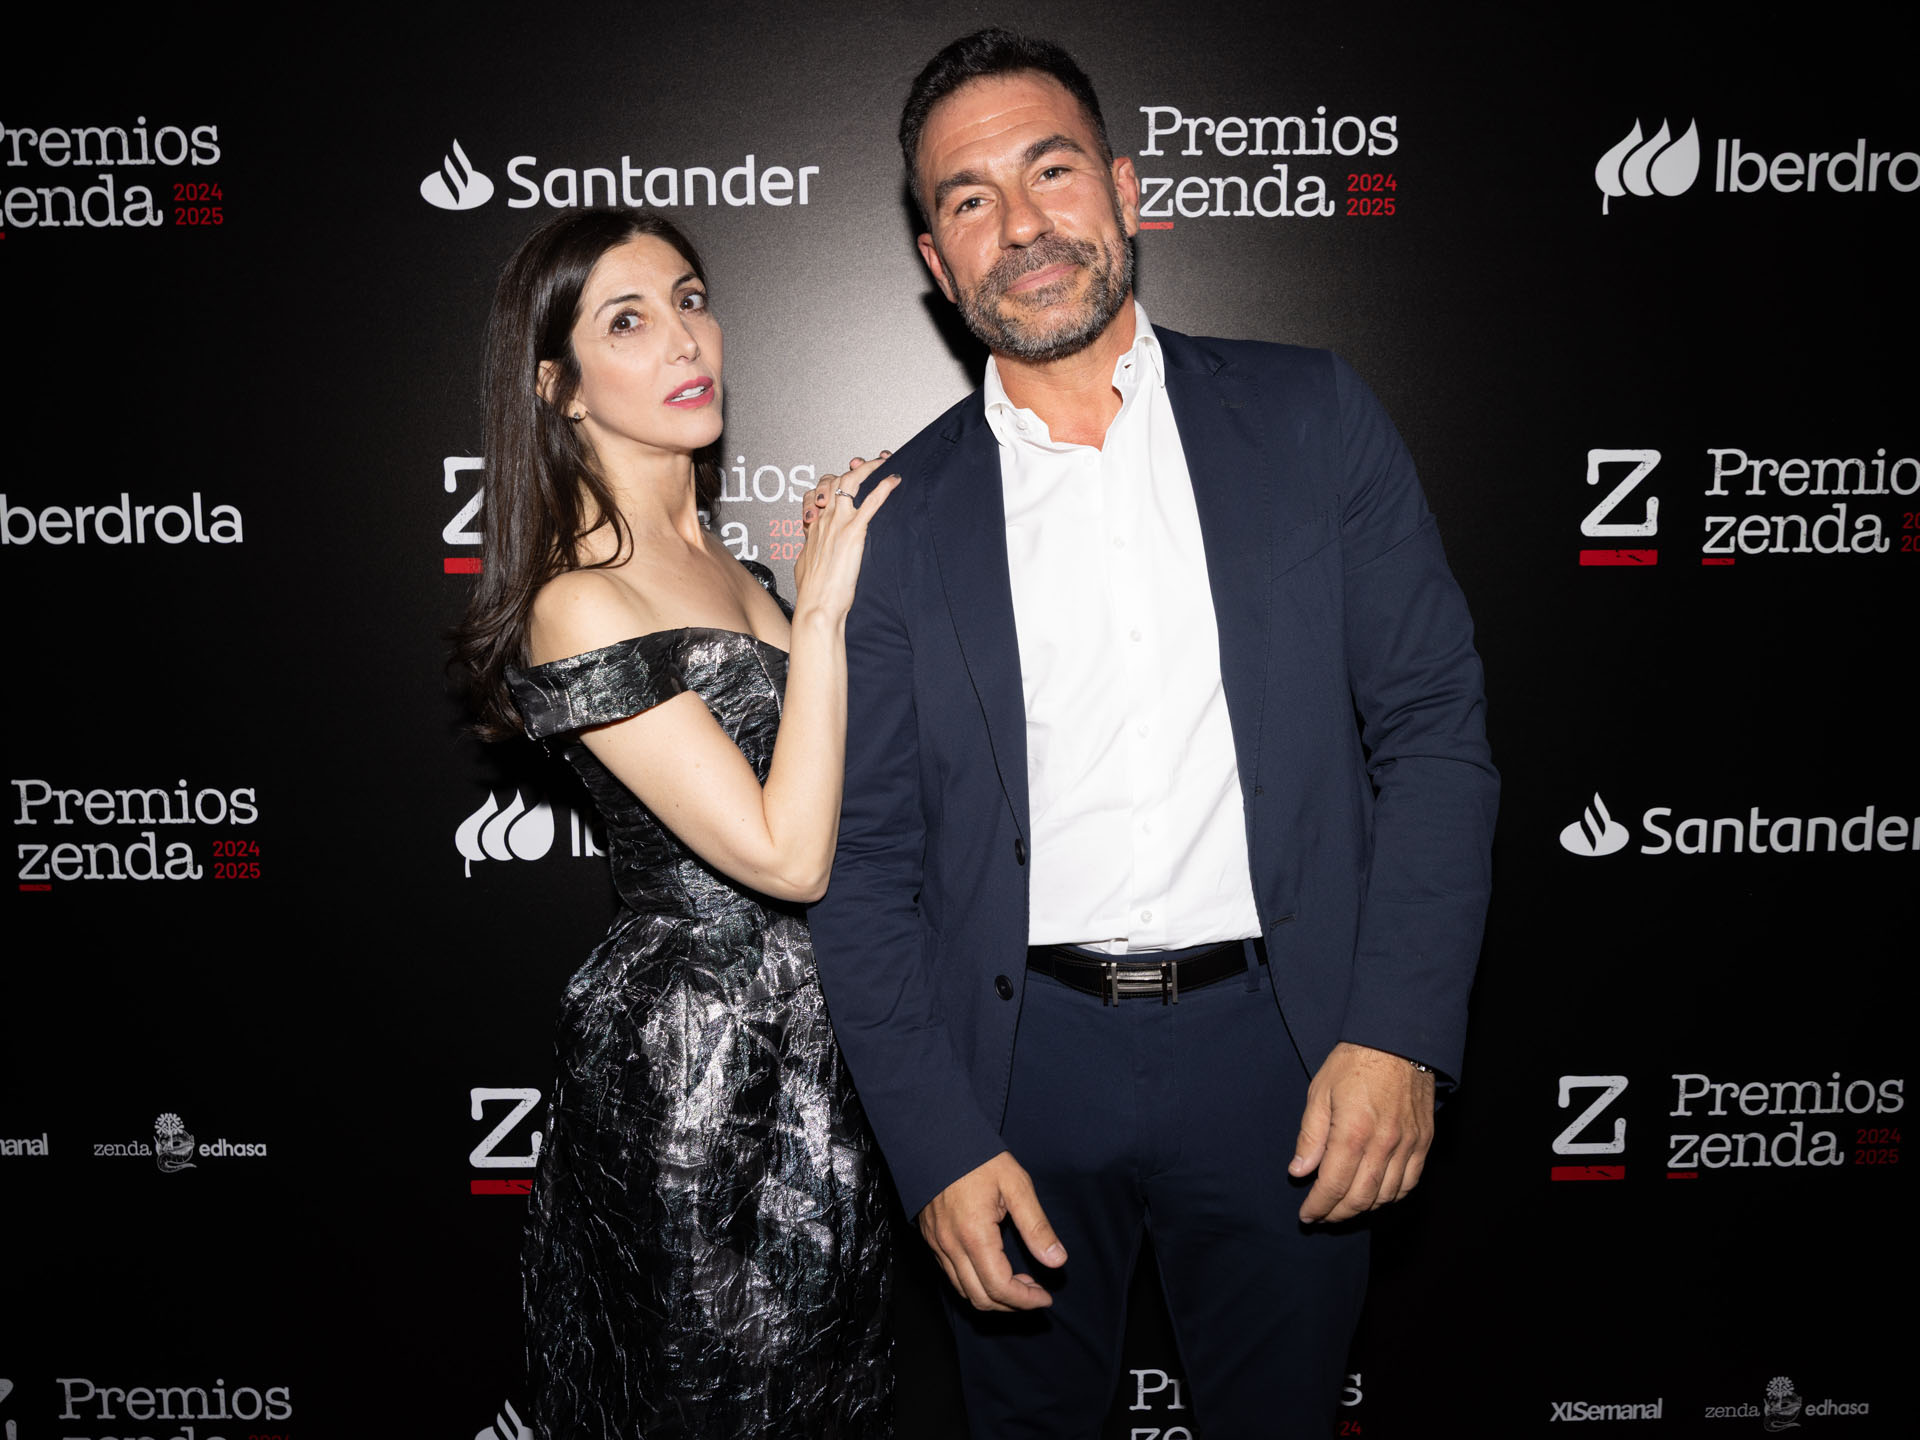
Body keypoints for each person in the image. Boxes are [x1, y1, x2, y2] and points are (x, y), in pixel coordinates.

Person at [803, 29, 1498, 1439]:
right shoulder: (897, 525)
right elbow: (863, 867)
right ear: (936, 259)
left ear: (1124, 190)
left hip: (1287, 1054)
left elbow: (1433, 733)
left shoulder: (1311, 417)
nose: (1021, 224)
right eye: (971, 199)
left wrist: (1397, 1033)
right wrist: (934, 1145)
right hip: (1017, 1075)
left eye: (1050, 171)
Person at [453, 208, 898, 1439]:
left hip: (820, 1045)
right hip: (694, 1064)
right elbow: (787, 855)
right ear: (558, 386)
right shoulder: (579, 600)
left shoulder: (734, 571)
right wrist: (822, 615)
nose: (684, 338)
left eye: (690, 299)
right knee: (703, 1397)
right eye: (627, 321)